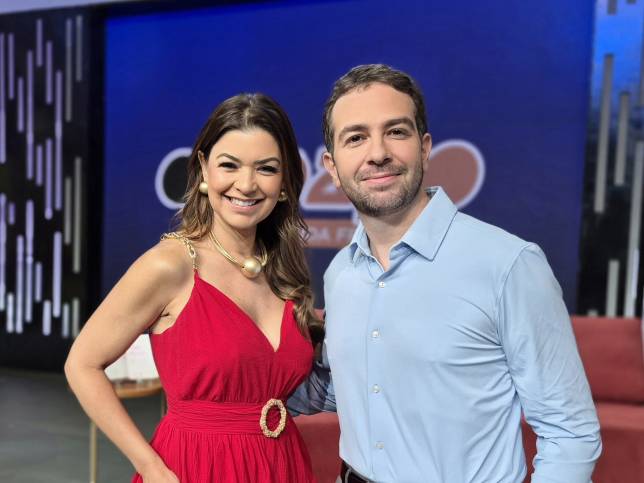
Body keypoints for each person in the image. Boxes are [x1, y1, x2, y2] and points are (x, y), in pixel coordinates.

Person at [289, 64, 601, 482]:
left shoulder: (509, 264)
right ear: (331, 165)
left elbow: (570, 431)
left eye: (396, 131)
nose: (377, 153)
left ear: (424, 147)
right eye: (356, 137)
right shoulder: (341, 272)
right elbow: (348, 389)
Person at [65, 93, 323, 482]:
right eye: (229, 165)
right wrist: (149, 466)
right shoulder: (170, 265)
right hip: (197, 467)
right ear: (204, 169)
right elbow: (82, 364)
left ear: (285, 181)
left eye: (266, 168)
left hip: (282, 465)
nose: (246, 184)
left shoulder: (284, 268)